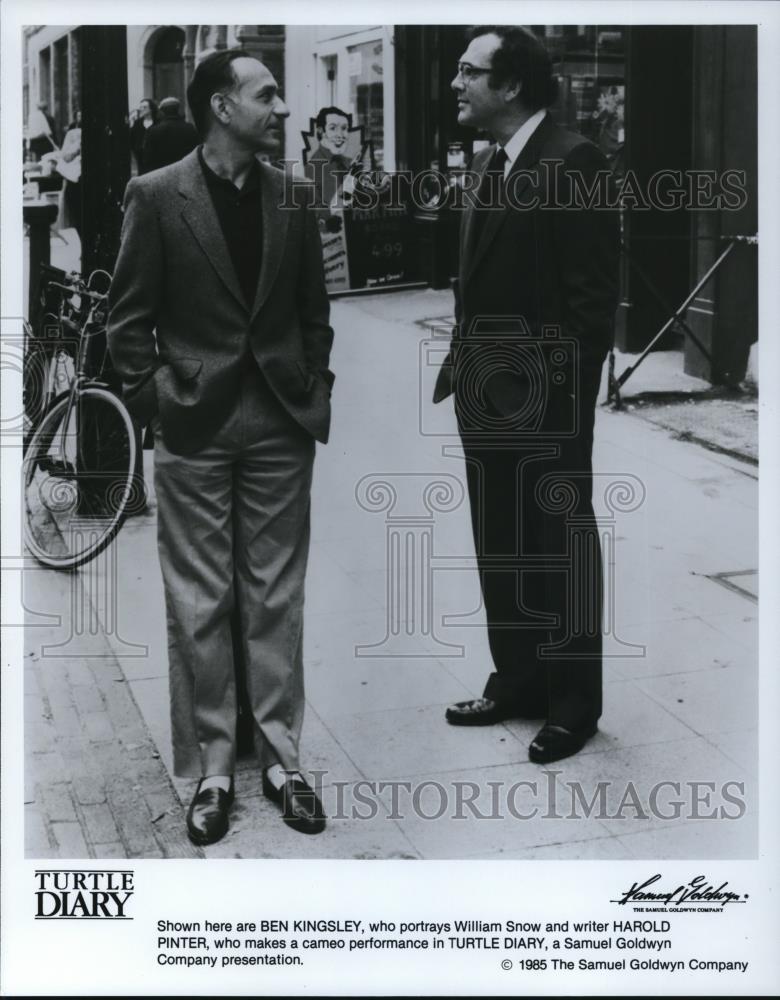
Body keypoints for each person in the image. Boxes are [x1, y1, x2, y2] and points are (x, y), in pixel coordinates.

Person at [107, 49, 335, 845]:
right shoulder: (156, 195)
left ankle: (281, 759)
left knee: (275, 594)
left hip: (279, 423)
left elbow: (315, 308)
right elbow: (125, 323)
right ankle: (211, 767)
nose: (281, 107)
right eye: (266, 94)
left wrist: (316, 386)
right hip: (195, 426)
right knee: (201, 601)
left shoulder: (296, 195)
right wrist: (159, 403)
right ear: (220, 108)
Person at [434, 26, 619, 763]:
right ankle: (518, 679)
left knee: (558, 548)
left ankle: (573, 704)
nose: (456, 83)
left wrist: (558, 401)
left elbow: (593, 301)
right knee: (501, 544)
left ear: (509, 86)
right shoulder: (489, 161)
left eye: (468, 72)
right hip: (484, 394)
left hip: (545, 402)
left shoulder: (574, 160)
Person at [305, 106, 353, 212]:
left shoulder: (351, 163)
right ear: (321, 131)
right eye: (333, 128)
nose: (340, 135)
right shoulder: (313, 167)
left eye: (344, 128)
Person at [142, 96, 199, 173]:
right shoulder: (190, 128)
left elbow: (148, 159)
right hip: (185, 172)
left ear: (162, 111)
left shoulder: (153, 131)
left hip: (161, 174)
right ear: (178, 109)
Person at [129, 97, 158, 174]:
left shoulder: (157, 122)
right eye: (141, 107)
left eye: (144, 107)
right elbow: (132, 138)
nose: (141, 109)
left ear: (151, 109)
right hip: (140, 157)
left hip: (155, 157)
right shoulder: (137, 123)